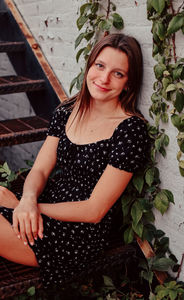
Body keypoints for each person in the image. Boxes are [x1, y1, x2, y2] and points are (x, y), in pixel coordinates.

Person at [0, 33, 149, 287]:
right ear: (89, 65)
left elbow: (94, 210)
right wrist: (27, 200)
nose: (104, 79)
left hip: (76, 233)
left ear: (128, 83)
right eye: (100, 66)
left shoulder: (130, 130)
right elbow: (40, 169)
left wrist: (26, 208)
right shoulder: (68, 111)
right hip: (46, 205)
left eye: (118, 74)